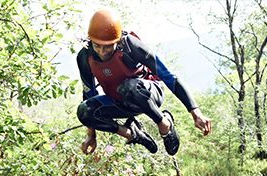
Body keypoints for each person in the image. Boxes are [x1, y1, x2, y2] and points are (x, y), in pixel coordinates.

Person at [76, 8, 212, 156]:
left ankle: (164, 124)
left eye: (108, 46)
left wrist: (195, 112)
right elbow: (89, 93)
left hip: (148, 93)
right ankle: (132, 133)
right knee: (84, 110)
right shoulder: (85, 56)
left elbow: (169, 76)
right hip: (119, 102)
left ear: (118, 40)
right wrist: (91, 134)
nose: (102, 52)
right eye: (97, 46)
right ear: (90, 41)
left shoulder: (131, 46)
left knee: (128, 87)